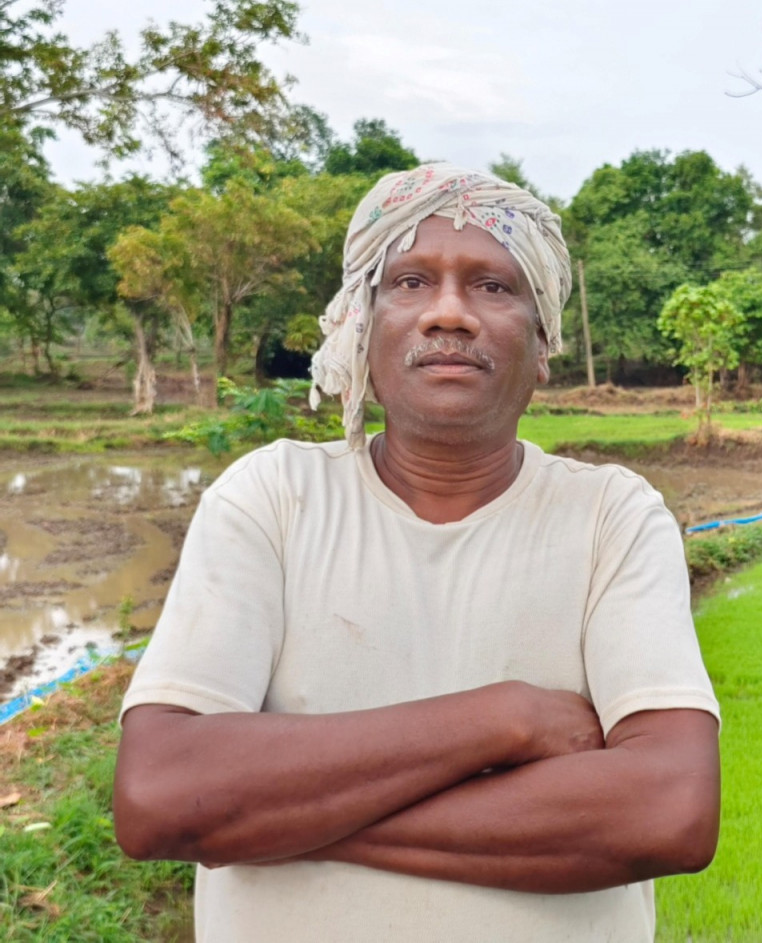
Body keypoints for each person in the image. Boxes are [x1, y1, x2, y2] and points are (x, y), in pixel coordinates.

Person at [112, 163, 721, 943]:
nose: (449, 314)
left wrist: (280, 813)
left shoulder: (611, 517)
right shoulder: (273, 497)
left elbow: (667, 810)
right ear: (360, 329)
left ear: (543, 346)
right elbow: (163, 793)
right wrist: (507, 718)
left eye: (494, 287)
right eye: (408, 280)